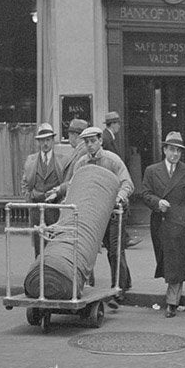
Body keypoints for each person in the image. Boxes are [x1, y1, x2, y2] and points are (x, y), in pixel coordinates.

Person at [59, 125, 134, 308]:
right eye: (87, 142)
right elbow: (73, 184)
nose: (90, 145)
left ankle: (119, 289)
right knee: (86, 247)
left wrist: (118, 198)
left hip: (114, 212)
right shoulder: (82, 163)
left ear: (100, 141)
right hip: (91, 214)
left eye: (93, 141)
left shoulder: (112, 160)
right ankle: (88, 284)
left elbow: (128, 183)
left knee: (114, 250)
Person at [140, 132, 185, 318]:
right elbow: (145, 194)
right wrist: (157, 203)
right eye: (171, 149)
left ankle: (172, 301)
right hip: (160, 222)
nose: (175, 154)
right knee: (165, 258)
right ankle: (174, 290)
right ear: (164, 149)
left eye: (178, 151)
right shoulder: (151, 170)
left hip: (180, 222)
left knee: (178, 260)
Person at [21, 122, 74, 256]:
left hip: (55, 208)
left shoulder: (63, 161)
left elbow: (69, 182)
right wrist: (29, 199)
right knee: (38, 245)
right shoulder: (30, 160)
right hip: (36, 208)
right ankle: (39, 273)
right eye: (42, 140)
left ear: (53, 141)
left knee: (55, 243)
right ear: (38, 142)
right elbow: (25, 183)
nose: (45, 143)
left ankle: (52, 272)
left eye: (48, 140)